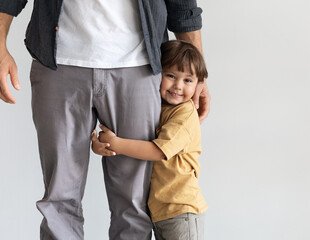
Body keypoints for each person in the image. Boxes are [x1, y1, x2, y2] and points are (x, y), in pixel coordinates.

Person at [0, 0, 210, 239]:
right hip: (58, 63)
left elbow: (182, 5)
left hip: (138, 65)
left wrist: (197, 73)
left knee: (133, 203)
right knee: (59, 198)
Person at [91, 40, 208, 240]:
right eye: (170, 76)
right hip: (161, 212)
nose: (178, 86)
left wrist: (117, 144)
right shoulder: (157, 107)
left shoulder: (185, 114)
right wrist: (100, 142)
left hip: (181, 210)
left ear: (199, 85)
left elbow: (158, 151)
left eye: (188, 80)